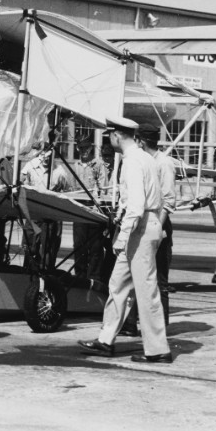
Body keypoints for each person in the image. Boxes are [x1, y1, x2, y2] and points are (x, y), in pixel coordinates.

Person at [77, 117, 172, 364]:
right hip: (143, 227)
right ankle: (105, 340)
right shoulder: (145, 159)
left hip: (139, 229)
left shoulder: (132, 162)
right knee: (118, 285)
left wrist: (123, 236)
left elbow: (137, 205)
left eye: (110, 135)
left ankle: (158, 349)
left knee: (146, 290)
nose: (109, 140)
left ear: (117, 136)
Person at [70, 139, 109, 281]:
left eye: (86, 147)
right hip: (80, 210)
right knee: (79, 246)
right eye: (80, 147)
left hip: (94, 210)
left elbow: (104, 188)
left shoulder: (98, 164)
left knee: (95, 247)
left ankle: (94, 277)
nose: (83, 150)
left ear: (91, 148)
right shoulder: (76, 166)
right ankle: (79, 275)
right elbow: (72, 188)